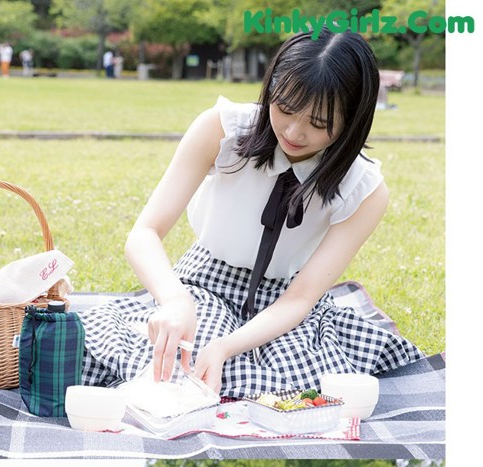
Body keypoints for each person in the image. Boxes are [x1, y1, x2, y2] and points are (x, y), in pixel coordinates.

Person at [78, 28, 423, 398]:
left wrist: (227, 347)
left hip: (285, 305)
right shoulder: (222, 129)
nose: (293, 131)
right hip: (203, 285)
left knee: (294, 384)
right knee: (181, 368)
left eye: (319, 124)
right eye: (285, 108)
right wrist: (176, 301)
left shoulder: (364, 188)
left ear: (352, 121)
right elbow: (144, 233)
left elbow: (300, 299)